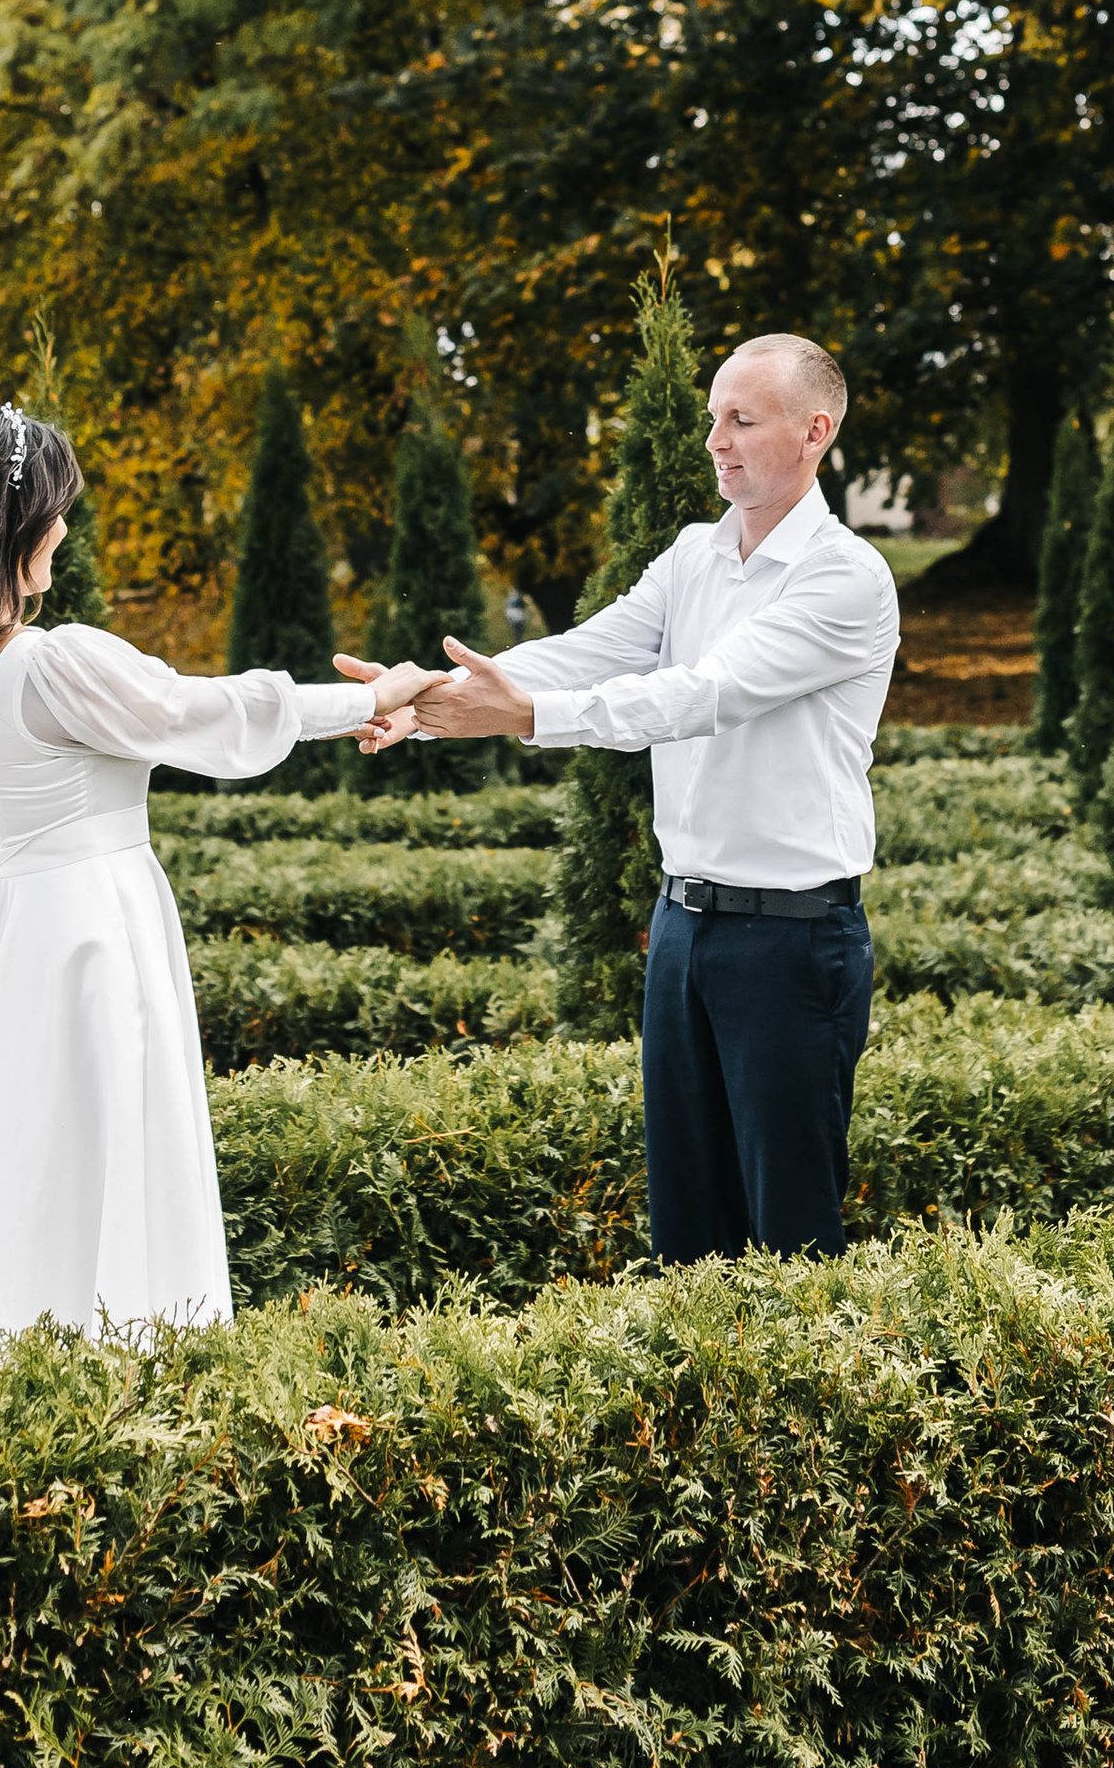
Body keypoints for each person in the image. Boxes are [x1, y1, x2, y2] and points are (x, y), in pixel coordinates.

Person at [0, 402, 431, 1350]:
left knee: (12, 1152)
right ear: (14, 522)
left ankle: (3, 1354)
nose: (67, 528)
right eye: (58, 508)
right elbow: (204, 716)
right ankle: (112, 1358)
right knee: (96, 1147)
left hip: (1, 948)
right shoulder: (51, 663)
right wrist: (368, 697)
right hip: (86, 937)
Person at [360, 333, 898, 1265]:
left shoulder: (844, 578)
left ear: (815, 431)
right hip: (683, 929)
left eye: (742, 419)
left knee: (792, 1241)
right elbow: (589, 649)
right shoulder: (693, 555)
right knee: (687, 1229)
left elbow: (701, 695)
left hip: (793, 941)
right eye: (711, 420)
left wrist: (522, 717)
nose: (716, 442)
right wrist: (425, 700)